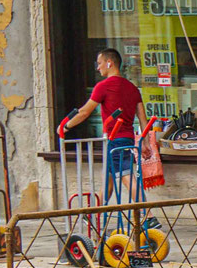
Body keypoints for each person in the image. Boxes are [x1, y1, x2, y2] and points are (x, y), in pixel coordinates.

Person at [61, 48, 144, 201]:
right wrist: (144, 142)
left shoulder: (103, 86)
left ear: (109, 63)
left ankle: (148, 215)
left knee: (126, 175)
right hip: (128, 138)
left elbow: (85, 112)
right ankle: (94, 215)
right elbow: (143, 120)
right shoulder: (133, 88)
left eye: (99, 63)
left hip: (114, 138)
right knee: (108, 182)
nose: (98, 67)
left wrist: (65, 126)